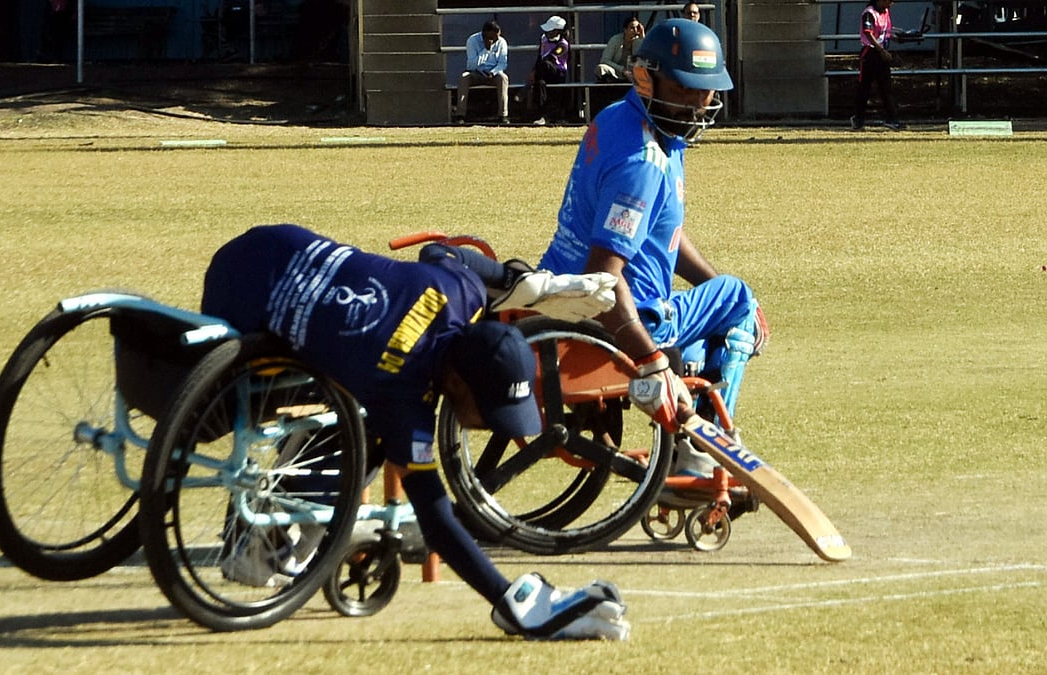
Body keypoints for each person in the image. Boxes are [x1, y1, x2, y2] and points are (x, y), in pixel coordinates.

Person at [201, 224, 628, 640]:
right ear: (458, 383)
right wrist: (505, 598)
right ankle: (263, 546)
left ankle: (283, 513)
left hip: (275, 242)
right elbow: (436, 519)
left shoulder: (464, 292)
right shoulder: (400, 390)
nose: (489, 426)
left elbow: (441, 253)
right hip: (239, 300)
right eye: (489, 410)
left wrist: (528, 283)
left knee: (350, 384)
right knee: (363, 430)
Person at [537, 19, 770, 479]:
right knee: (740, 301)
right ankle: (702, 449)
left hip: (560, 301)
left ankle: (693, 416)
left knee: (721, 301)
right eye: (687, 90)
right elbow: (603, 277)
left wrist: (710, 288)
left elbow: (665, 231)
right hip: (625, 318)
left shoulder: (625, 121)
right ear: (646, 79)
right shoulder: (644, 162)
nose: (703, 103)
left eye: (707, 91)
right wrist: (650, 360)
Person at [851, 0, 906, 131]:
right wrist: (880, 50)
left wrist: (900, 37)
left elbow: (885, 32)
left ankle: (892, 118)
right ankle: (858, 118)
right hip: (870, 53)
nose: (891, 4)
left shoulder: (885, 12)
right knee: (864, 87)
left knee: (886, 88)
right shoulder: (869, 13)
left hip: (882, 52)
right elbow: (868, 33)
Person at [455, 20, 509, 124]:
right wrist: (485, 50)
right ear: (486, 34)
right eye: (494, 37)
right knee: (464, 77)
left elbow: (503, 63)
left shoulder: (501, 42)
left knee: (503, 78)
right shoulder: (472, 41)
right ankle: (460, 115)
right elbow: (471, 65)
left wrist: (493, 72)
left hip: (493, 73)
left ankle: (503, 115)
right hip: (476, 72)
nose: (496, 39)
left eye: (498, 36)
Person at [524, 15, 571, 125]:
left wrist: (536, 71)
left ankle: (525, 89)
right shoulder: (543, 39)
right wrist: (533, 71)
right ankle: (542, 115)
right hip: (543, 72)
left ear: (557, 31)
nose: (547, 33)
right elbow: (539, 56)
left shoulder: (563, 44)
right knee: (539, 83)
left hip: (557, 72)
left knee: (545, 64)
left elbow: (551, 58)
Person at [595, 16, 644, 84]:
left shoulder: (639, 41)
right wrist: (623, 70)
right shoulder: (615, 40)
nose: (635, 31)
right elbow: (605, 60)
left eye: (637, 28)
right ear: (625, 29)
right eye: (632, 28)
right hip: (616, 71)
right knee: (601, 68)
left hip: (634, 73)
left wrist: (642, 38)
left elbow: (645, 60)